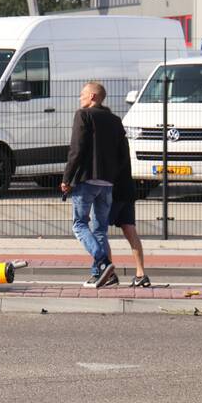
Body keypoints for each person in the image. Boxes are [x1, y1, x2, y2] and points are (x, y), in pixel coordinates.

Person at [61, 81, 127, 288]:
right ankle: (101, 274)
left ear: (92, 97)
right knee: (99, 230)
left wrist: (66, 178)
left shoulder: (84, 115)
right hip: (107, 182)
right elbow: (122, 153)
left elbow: (77, 149)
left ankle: (103, 261)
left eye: (82, 95)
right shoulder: (115, 120)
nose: (80, 98)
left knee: (79, 225)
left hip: (86, 179)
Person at [107, 135, 151, 287]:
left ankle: (109, 273)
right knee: (130, 230)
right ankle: (141, 273)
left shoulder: (106, 139)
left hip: (112, 191)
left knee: (99, 232)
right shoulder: (122, 139)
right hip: (127, 189)